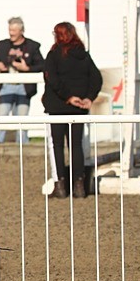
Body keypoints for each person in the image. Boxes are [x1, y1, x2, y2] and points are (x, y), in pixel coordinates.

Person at [42, 21, 102, 199]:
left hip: (58, 107)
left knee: (58, 146)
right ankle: (79, 186)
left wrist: (68, 97)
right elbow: (96, 78)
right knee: (76, 146)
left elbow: (51, 79)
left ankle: (60, 185)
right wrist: (88, 98)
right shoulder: (83, 55)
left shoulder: (54, 55)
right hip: (79, 109)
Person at [0, 16, 44, 144]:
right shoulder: (3, 45)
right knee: (1, 117)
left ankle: (23, 147)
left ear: (21, 31)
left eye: (14, 30)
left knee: (22, 119)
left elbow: (42, 65)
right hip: (6, 86)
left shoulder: (32, 46)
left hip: (24, 87)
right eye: (10, 30)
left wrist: (26, 68)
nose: (11, 33)